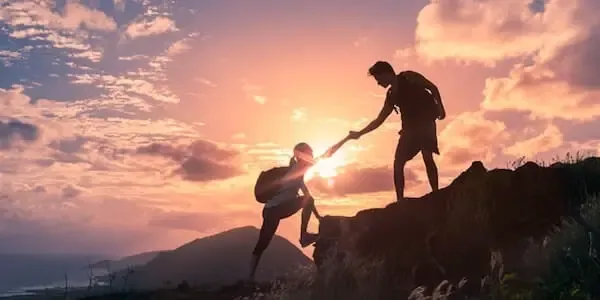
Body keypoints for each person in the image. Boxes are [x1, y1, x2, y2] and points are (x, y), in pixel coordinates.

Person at [248, 137, 351, 282]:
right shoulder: (299, 168)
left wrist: (318, 216)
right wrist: (346, 139)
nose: (312, 156)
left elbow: (307, 197)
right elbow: (328, 154)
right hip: (276, 210)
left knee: (262, 244)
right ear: (302, 155)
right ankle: (303, 236)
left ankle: (249, 278)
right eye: (310, 153)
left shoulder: (296, 172)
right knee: (263, 243)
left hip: (270, 210)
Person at [348, 61, 446, 201]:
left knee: (427, 156)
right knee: (398, 162)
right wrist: (359, 133)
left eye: (378, 78)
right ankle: (400, 200)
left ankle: (436, 194)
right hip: (409, 129)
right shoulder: (391, 94)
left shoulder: (409, 76)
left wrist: (441, 108)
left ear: (386, 73)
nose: (378, 83)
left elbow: (432, 87)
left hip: (425, 122)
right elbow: (379, 120)